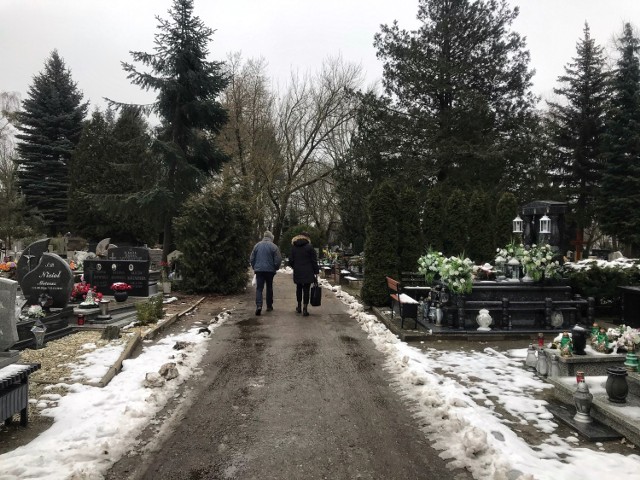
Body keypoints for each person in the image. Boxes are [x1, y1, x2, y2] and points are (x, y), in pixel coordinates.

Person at [250, 231, 282, 316]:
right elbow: (278, 259)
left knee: (259, 288)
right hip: (270, 271)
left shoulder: (257, 245)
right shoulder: (274, 246)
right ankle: (269, 306)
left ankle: (259, 306)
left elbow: (252, 258)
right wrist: (275, 267)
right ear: (271, 238)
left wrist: (255, 267)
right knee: (269, 287)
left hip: (259, 270)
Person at [289, 231, 319, 316]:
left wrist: (295, 266)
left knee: (298, 288)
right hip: (308, 271)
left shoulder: (294, 247)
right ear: (307, 238)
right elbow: (314, 261)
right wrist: (316, 271)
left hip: (298, 271)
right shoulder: (310, 247)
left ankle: (298, 307)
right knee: (306, 289)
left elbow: (290, 260)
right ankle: (305, 308)